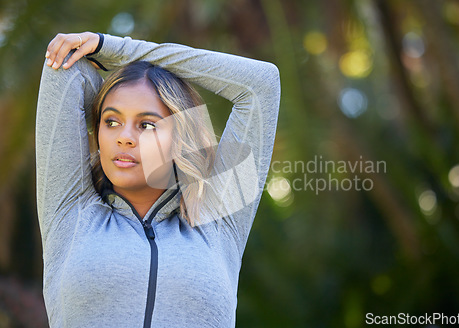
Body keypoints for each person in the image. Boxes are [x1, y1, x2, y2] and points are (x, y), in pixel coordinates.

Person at [36, 31, 280, 328]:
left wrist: (120, 50)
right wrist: (114, 59)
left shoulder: (218, 220)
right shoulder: (71, 212)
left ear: (179, 136)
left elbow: (261, 84)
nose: (124, 138)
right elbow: (68, 66)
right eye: (111, 121)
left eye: (147, 125)